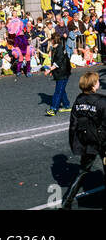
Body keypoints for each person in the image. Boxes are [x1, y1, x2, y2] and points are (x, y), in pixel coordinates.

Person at [63, 71, 106, 209]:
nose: (99, 83)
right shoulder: (102, 101)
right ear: (93, 85)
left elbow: (73, 124)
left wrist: (76, 143)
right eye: (98, 81)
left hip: (86, 141)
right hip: (102, 141)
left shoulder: (79, 100)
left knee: (83, 172)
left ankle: (66, 203)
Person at [47, 33, 73, 116]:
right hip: (59, 72)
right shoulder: (56, 48)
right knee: (61, 89)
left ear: (53, 40)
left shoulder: (60, 49)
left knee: (58, 91)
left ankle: (53, 108)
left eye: (51, 39)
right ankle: (66, 105)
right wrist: (52, 71)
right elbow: (54, 60)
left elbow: (59, 61)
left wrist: (50, 70)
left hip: (63, 72)